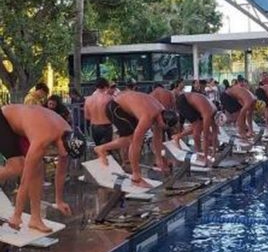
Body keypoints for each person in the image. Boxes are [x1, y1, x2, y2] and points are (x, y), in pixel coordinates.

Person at [0, 104, 86, 232]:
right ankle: (24, 215)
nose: (65, 155)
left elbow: (61, 172)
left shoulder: (67, 134)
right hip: (4, 119)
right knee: (18, 167)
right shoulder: (43, 138)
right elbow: (25, 180)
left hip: (23, 126)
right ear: (63, 142)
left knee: (39, 168)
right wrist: (16, 215)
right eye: (66, 152)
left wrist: (59, 200)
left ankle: (35, 219)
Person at [94, 91, 178, 184]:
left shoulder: (160, 112)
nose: (161, 127)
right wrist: (137, 172)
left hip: (127, 108)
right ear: (162, 119)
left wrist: (159, 160)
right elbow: (136, 144)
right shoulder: (148, 116)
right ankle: (135, 177)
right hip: (115, 107)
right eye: (163, 126)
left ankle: (101, 148)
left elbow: (157, 139)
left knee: (131, 139)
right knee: (132, 139)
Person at [174, 91, 220, 164]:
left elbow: (215, 134)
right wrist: (205, 157)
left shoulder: (215, 113)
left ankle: (177, 136)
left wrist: (214, 152)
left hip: (195, 103)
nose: (213, 125)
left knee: (199, 126)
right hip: (184, 101)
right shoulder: (208, 115)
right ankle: (199, 155)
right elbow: (205, 137)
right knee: (197, 128)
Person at [84, 78, 114, 146]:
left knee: (99, 149)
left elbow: (86, 116)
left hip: (94, 127)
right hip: (106, 126)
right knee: (107, 149)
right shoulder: (109, 98)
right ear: (106, 86)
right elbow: (114, 113)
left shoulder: (88, 99)